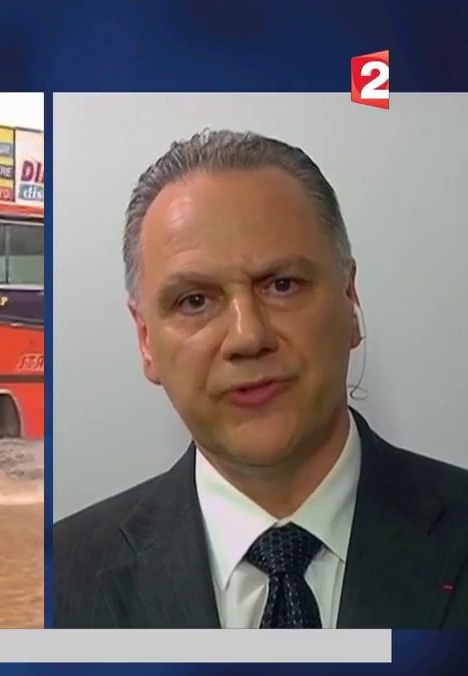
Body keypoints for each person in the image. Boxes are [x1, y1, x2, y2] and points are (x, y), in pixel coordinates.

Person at [52, 129, 468, 629]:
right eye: (195, 301)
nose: (248, 337)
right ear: (146, 341)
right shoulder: (57, 585)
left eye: (282, 285)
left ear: (350, 301)